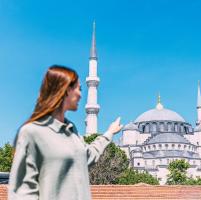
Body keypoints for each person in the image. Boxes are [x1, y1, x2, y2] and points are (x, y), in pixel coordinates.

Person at [8, 65, 123, 200]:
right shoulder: (32, 132)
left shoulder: (71, 130)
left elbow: (88, 156)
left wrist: (109, 133)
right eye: (78, 89)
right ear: (65, 90)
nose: (81, 95)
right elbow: (23, 191)